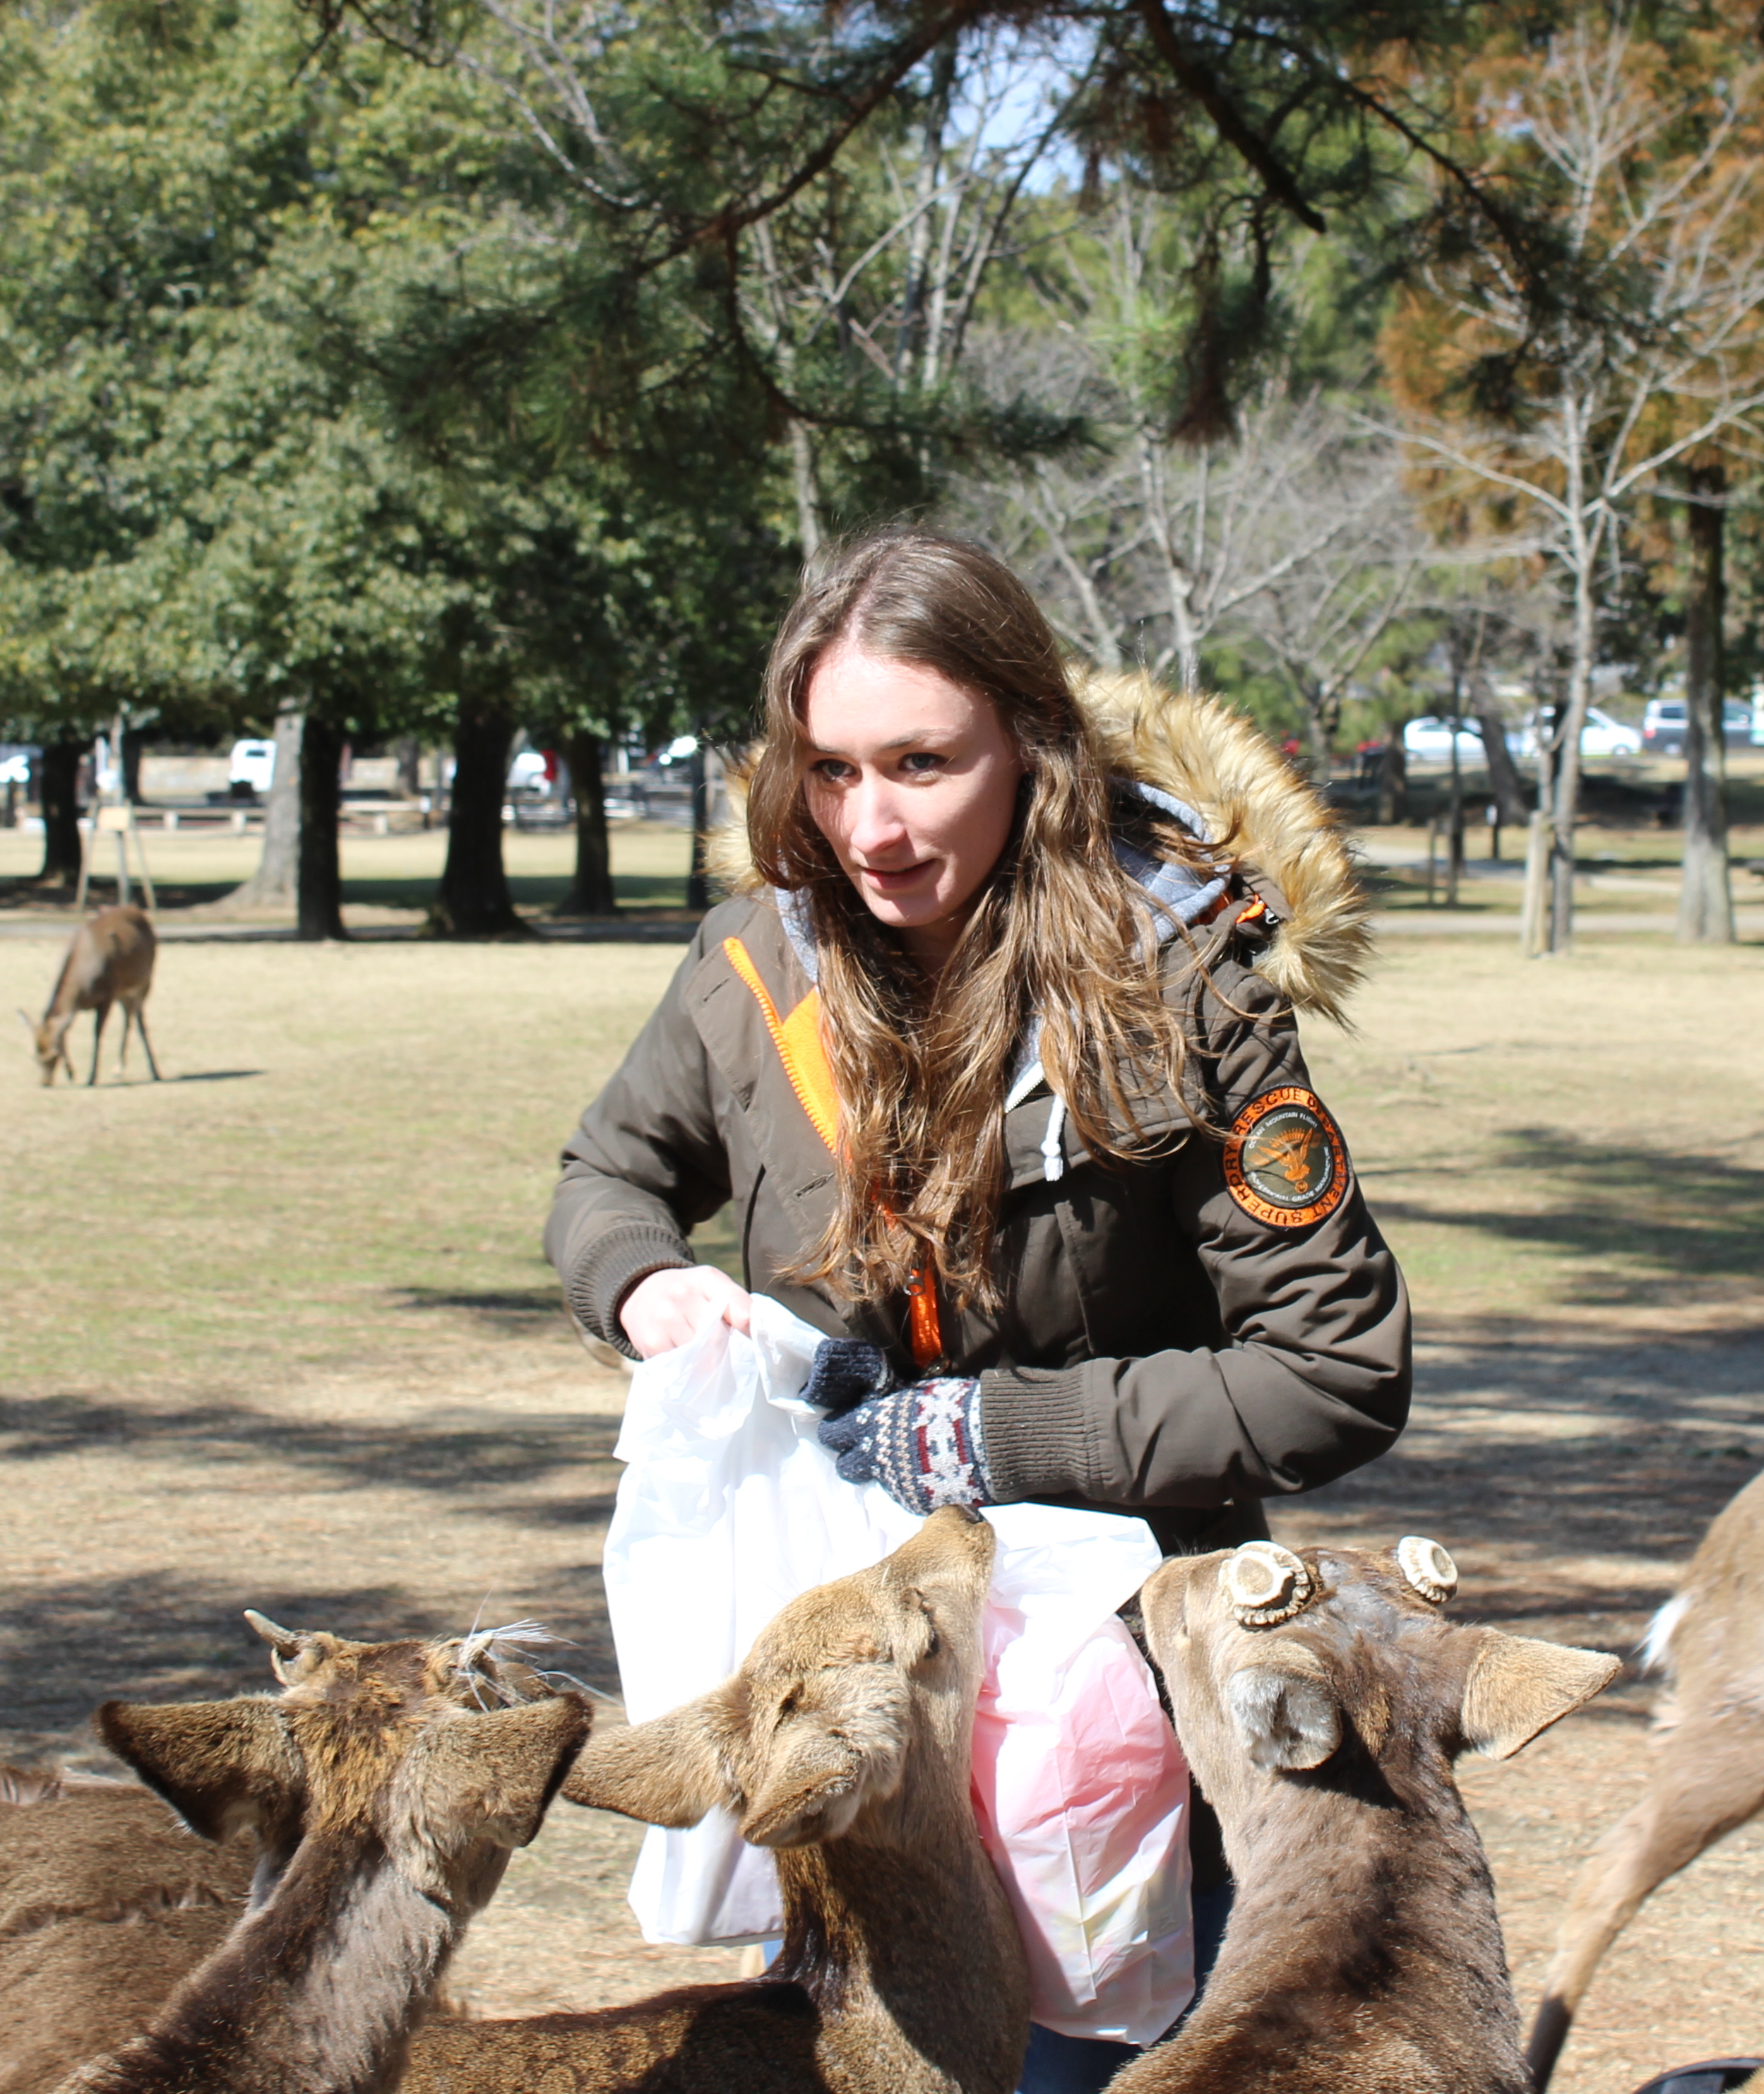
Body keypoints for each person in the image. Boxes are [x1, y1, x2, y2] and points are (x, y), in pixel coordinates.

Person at [548, 528, 1407, 2089]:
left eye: (922, 765)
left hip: (1122, 1714)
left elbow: (1334, 1373)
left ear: (1031, 746)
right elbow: (604, 1177)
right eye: (828, 770)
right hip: (852, 1697)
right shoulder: (761, 961)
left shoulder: (1191, 985)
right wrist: (646, 1284)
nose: (868, 825)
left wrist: (983, 1436)